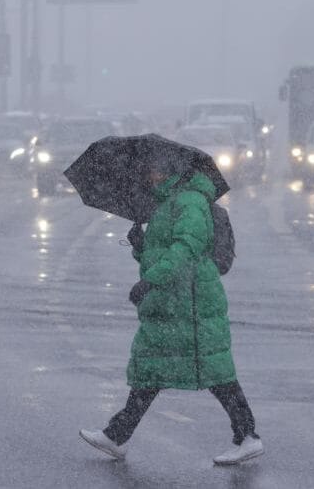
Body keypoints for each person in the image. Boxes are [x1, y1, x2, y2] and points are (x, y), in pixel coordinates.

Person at [80, 156, 263, 466]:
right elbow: (164, 252)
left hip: (191, 302)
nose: (149, 175)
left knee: (212, 371)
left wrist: (149, 281)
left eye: (153, 169)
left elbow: (186, 248)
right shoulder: (168, 202)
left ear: (171, 171)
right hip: (173, 302)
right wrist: (140, 246)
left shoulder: (189, 201)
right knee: (153, 368)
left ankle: (248, 437)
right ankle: (117, 435)